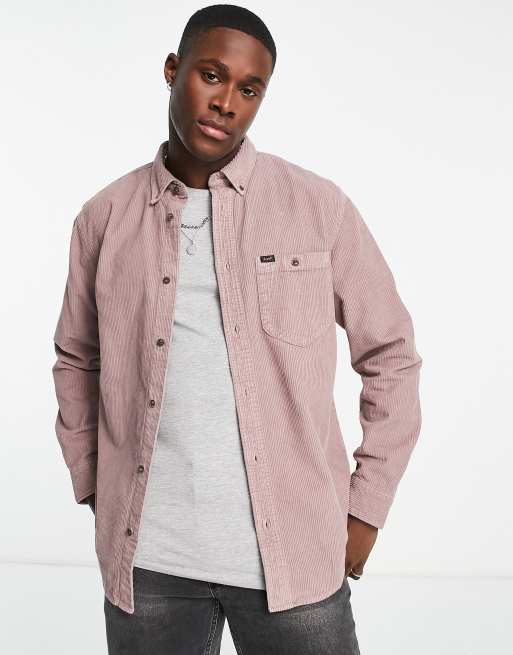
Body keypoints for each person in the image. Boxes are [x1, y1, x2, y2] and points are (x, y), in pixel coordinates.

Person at [52, 4, 422, 654]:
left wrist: (367, 505)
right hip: (150, 564)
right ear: (173, 70)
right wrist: (94, 482)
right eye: (211, 75)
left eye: (249, 90)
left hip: (296, 554)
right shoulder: (104, 218)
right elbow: (77, 359)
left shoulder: (316, 206)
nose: (226, 102)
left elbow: (390, 352)